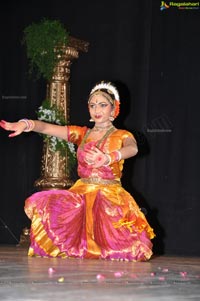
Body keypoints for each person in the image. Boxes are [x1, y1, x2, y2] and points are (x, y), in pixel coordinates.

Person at [0, 81, 155, 261]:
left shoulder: (122, 135)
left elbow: (133, 149)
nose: (97, 109)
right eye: (92, 105)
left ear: (114, 110)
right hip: (81, 192)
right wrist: (26, 124)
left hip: (109, 194)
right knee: (45, 201)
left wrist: (108, 157)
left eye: (103, 105)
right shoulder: (82, 134)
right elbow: (47, 128)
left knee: (123, 246)